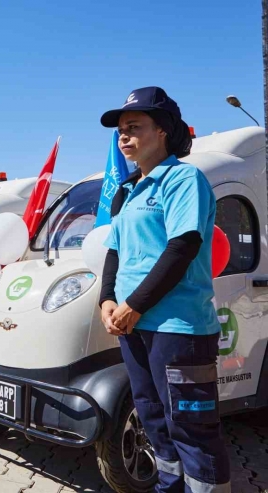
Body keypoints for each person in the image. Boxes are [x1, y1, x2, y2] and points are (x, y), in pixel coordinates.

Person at [98, 87, 230, 492]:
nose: (123, 136)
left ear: (164, 131)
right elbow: (114, 252)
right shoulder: (126, 190)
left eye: (134, 126)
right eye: (121, 129)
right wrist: (107, 299)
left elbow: (183, 246)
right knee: (152, 418)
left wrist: (134, 305)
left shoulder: (182, 178)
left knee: (191, 428)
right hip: (133, 326)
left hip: (178, 327)